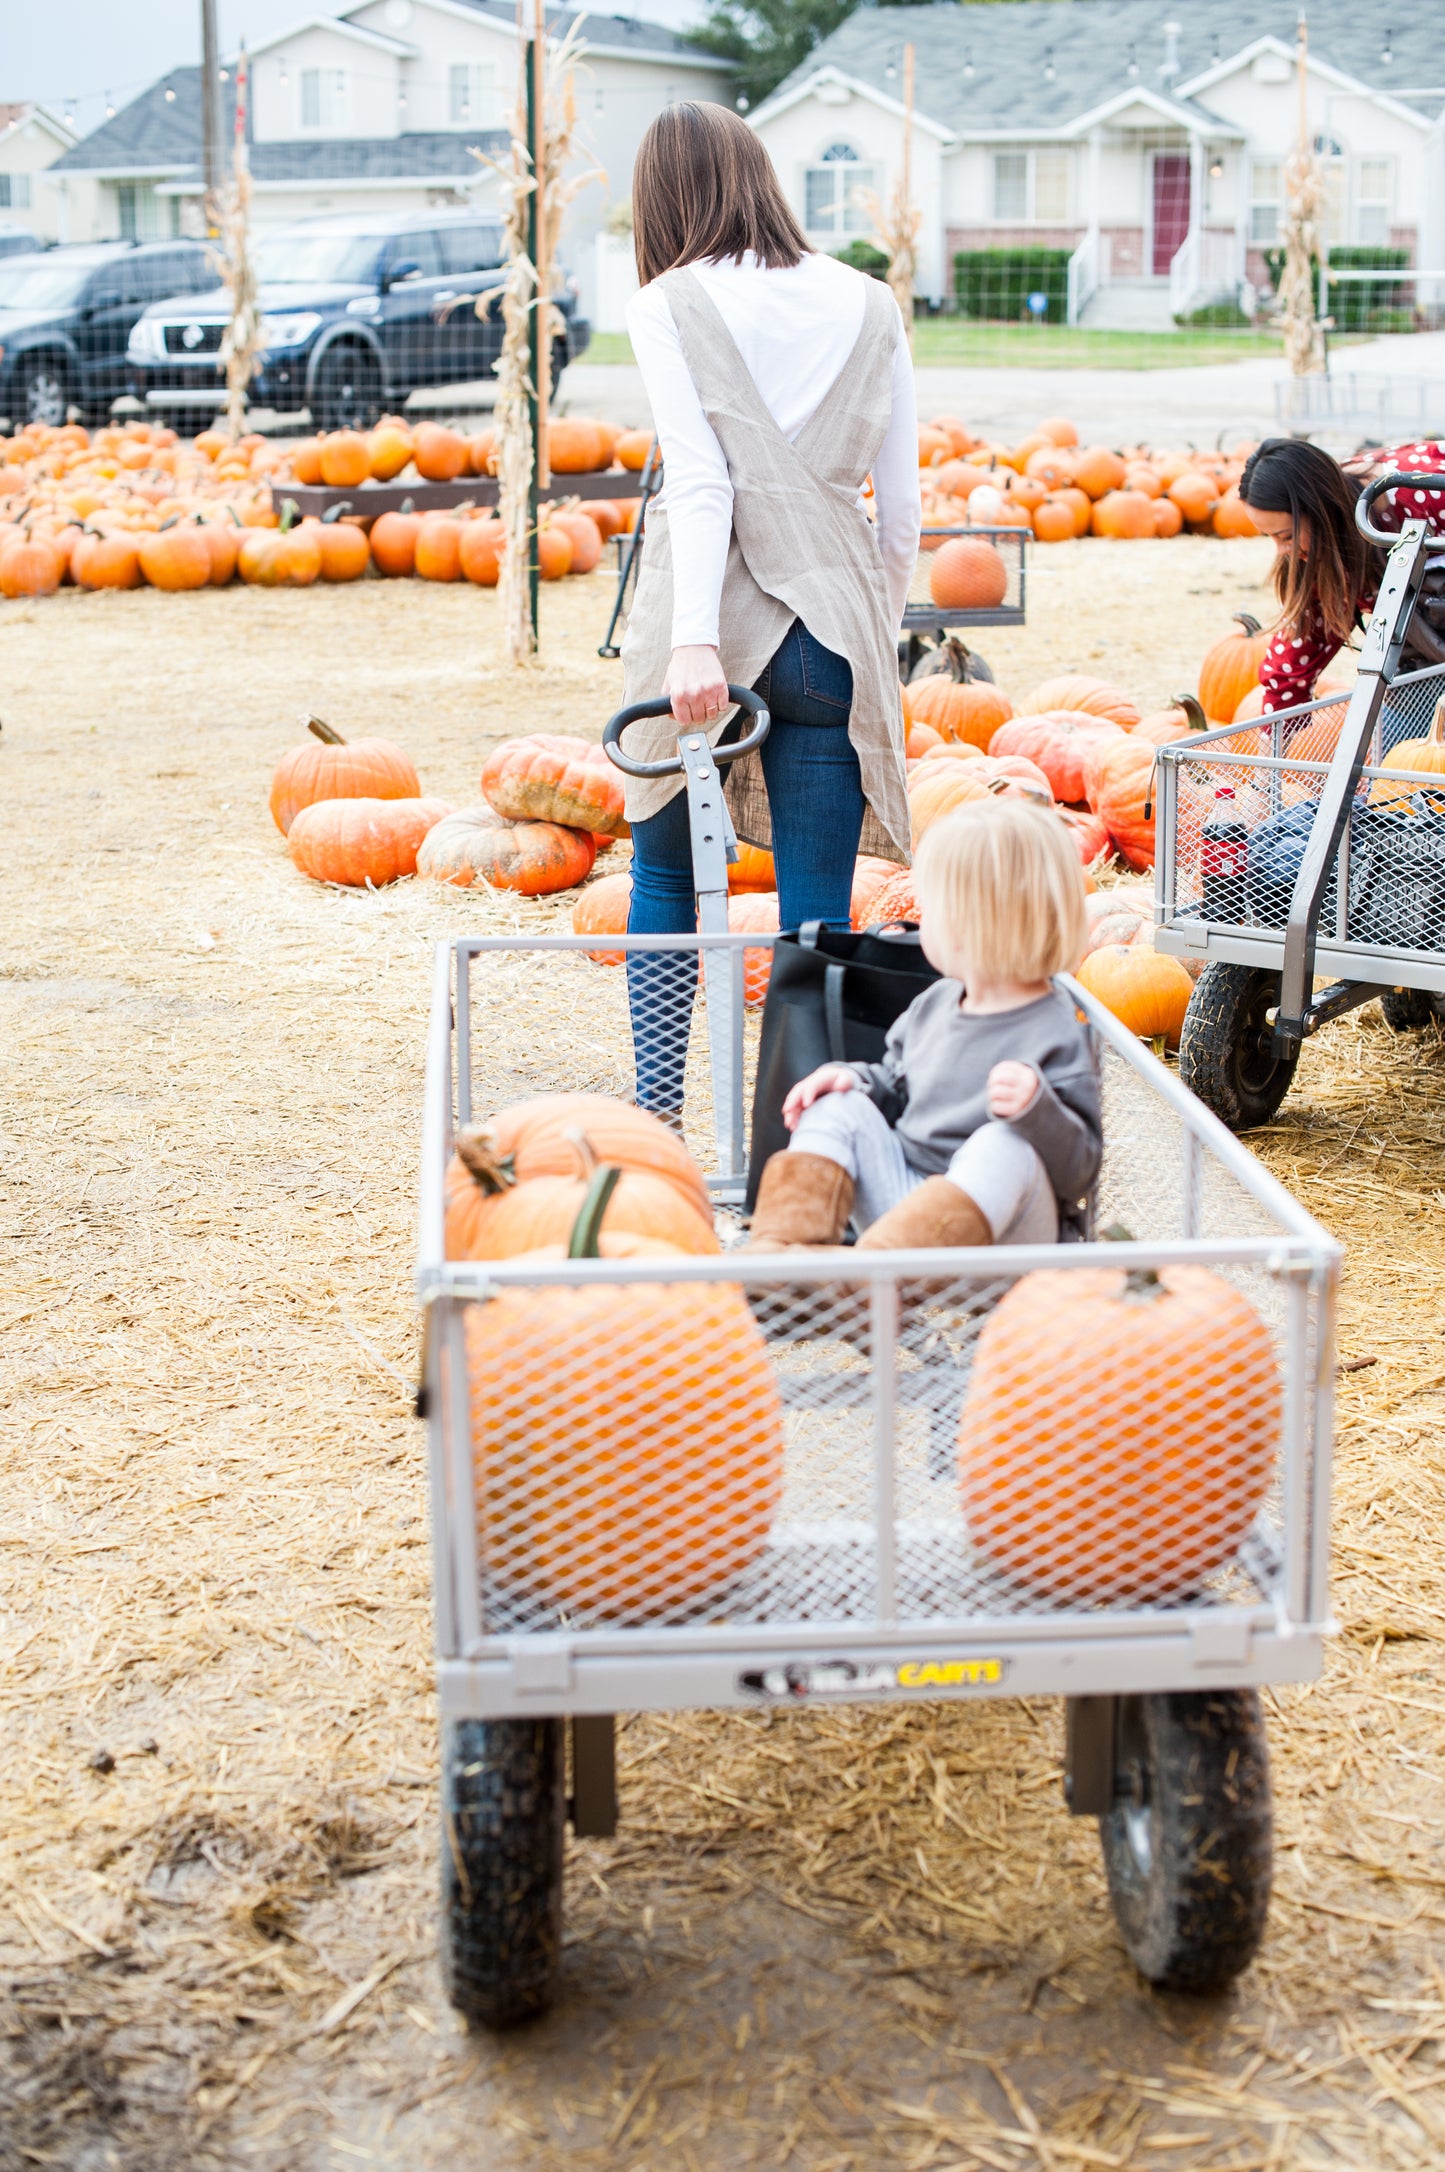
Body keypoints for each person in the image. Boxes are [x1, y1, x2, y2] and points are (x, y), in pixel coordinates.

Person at [618, 101, 921, 1120]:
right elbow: (899, 515)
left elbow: (702, 483)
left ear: (661, 195)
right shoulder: (871, 303)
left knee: (663, 874)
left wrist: (694, 638)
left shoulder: (668, 302)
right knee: (815, 926)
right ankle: (805, 1152)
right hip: (831, 625)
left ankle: (658, 1123)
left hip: (713, 619)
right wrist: (862, 622)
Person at [747, 801, 1103, 1252]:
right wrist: (857, 1079)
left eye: (931, 910)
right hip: (904, 1219)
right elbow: (897, 1084)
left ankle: (865, 1287)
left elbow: (1080, 1174)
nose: (921, 921)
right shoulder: (934, 1004)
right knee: (835, 1107)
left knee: (1002, 1145)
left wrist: (1038, 1110)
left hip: (1003, 1236)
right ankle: (786, 1261)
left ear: (975, 925)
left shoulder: (1056, 1032)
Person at [1238, 437, 1445, 745]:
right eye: (1272, 538)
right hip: (1423, 666)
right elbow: (1299, 650)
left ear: (1320, 512)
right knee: (1389, 769)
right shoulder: (1321, 557)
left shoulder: (1420, 492)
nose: (1284, 551)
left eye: (1286, 536)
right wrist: (1272, 753)